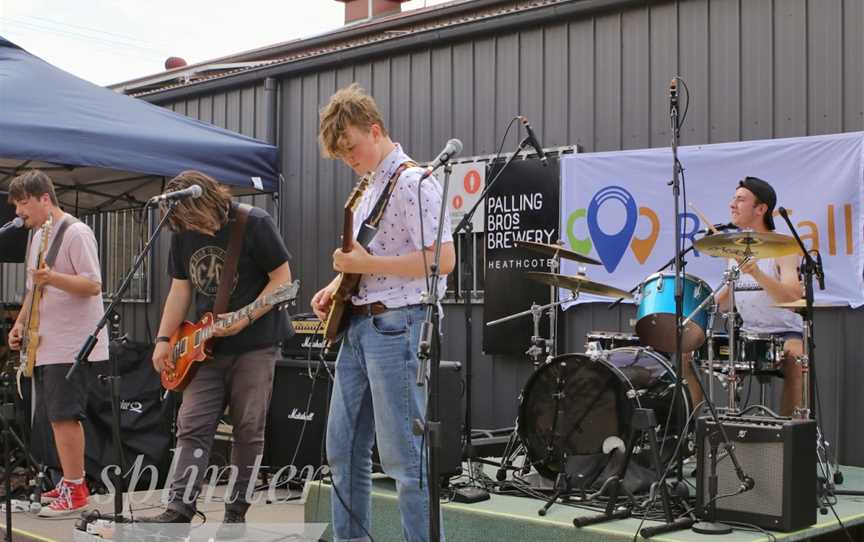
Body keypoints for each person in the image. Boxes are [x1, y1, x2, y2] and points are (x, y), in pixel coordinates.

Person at [312, 83, 455, 542]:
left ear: (374, 131)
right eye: (342, 155)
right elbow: (373, 252)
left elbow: (443, 260)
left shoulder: (414, 181)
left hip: (398, 324)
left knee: (404, 458)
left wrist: (364, 266)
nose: (349, 159)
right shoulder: (372, 184)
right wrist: (338, 285)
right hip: (361, 322)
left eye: (351, 148)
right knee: (343, 450)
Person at [140, 170, 292, 536]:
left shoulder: (254, 223)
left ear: (209, 200)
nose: (198, 229)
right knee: (191, 424)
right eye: (188, 224)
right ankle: (179, 507)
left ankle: (237, 510)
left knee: (248, 429)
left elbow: (284, 280)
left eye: (199, 221)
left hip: (256, 343)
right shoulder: (181, 232)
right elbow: (181, 290)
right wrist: (163, 339)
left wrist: (246, 318)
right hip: (204, 346)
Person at [6, 169, 109, 517]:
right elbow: (33, 289)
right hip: (46, 342)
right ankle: (68, 481)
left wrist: (53, 277)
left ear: (44, 199)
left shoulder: (76, 233)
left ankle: (78, 490)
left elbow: (93, 285)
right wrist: (19, 323)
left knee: (65, 417)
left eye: (23, 203)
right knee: (52, 418)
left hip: (72, 343)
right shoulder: (37, 236)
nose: (19, 212)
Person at [685, 177, 804, 417]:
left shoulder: (785, 247)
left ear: (761, 209)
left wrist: (757, 273)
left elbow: (793, 298)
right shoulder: (735, 249)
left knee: (796, 359)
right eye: (733, 198)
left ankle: (787, 437)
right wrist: (695, 309)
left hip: (784, 334)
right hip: (747, 334)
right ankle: (691, 432)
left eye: (740, 199)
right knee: (686, 353)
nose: (732, 204)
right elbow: (728, 299)